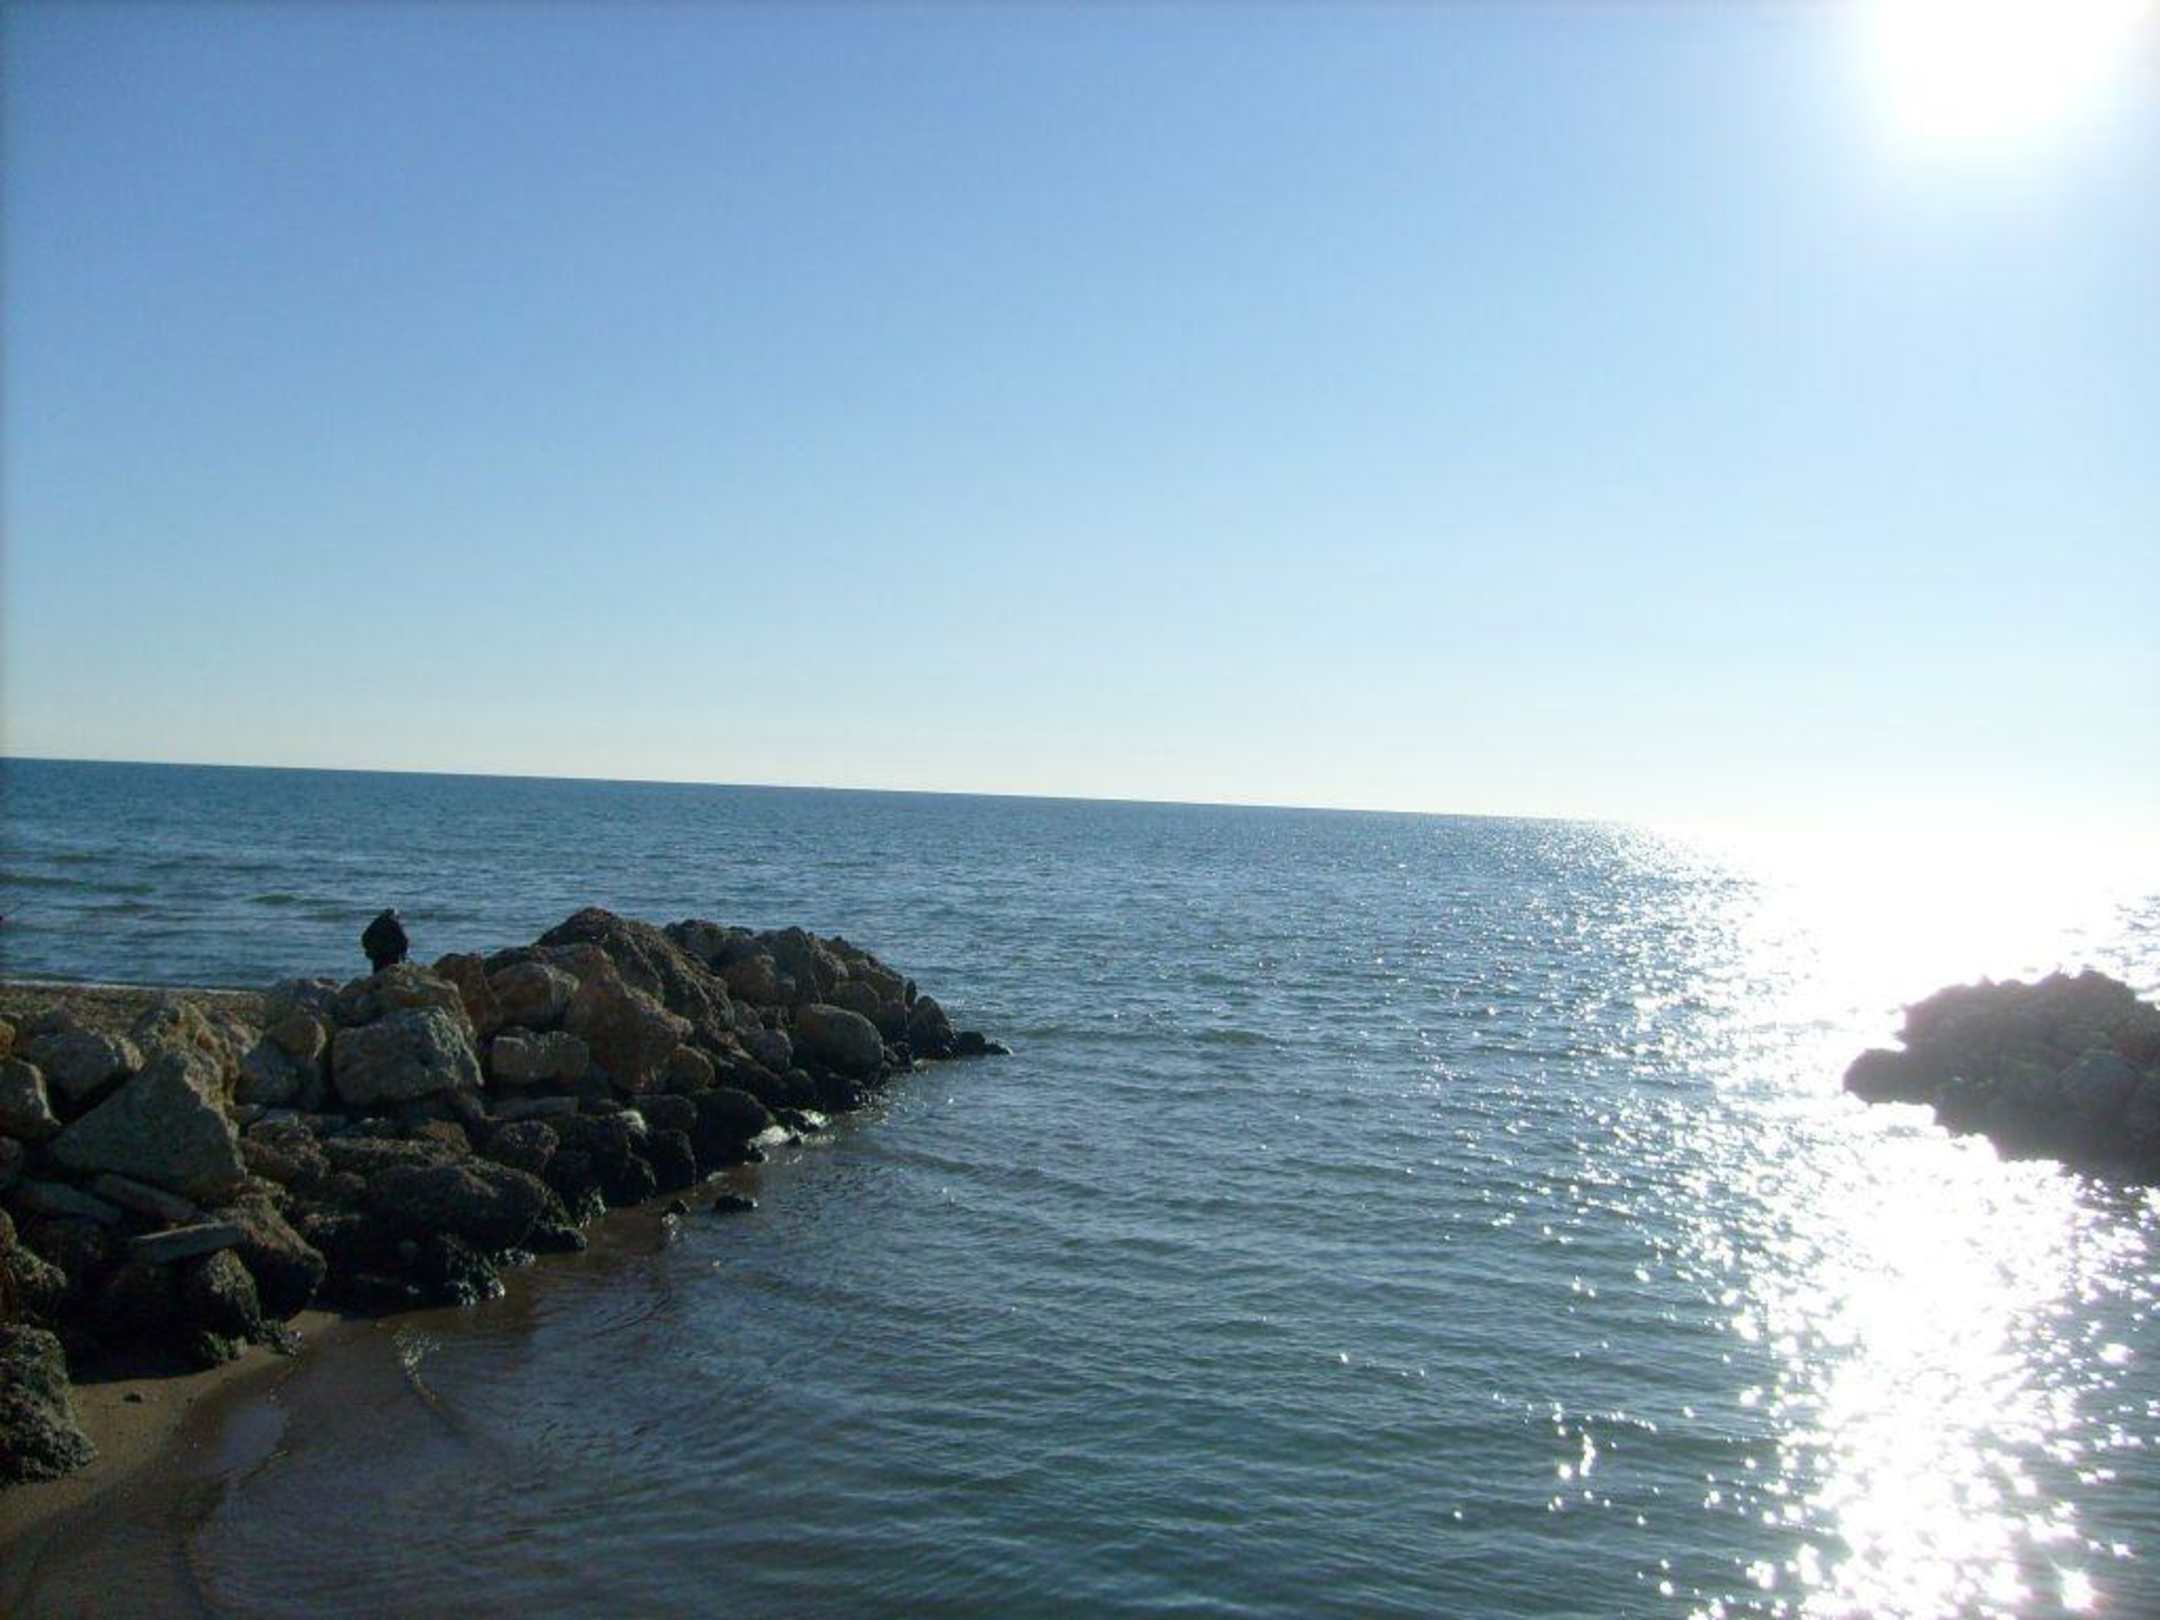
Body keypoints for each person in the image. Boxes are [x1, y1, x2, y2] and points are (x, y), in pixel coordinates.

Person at [362, 908, 410, 973]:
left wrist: (369, 949)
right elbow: (404, 940)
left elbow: (365, 938)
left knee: (378, 972)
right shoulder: (395, 924)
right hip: (391, 954)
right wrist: (403, 953)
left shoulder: (375, 924)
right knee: (391, 973)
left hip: (377, 954)